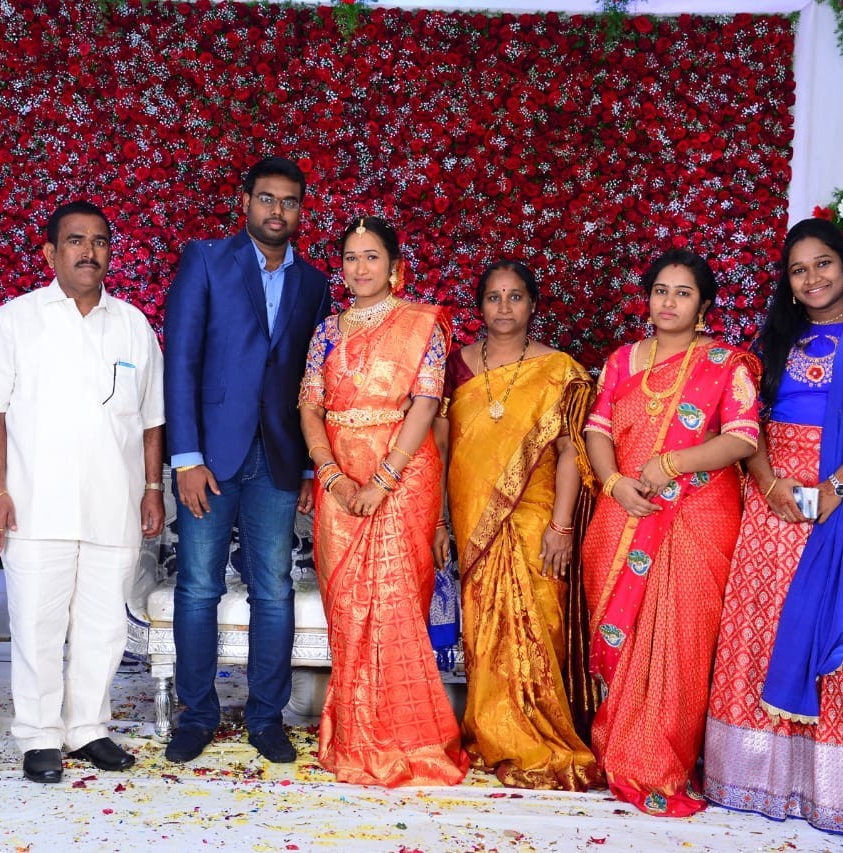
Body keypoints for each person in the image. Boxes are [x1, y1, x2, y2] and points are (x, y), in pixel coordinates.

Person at [704, 218, 843, 837]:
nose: (812, 279)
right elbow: (745, 420)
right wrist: (768, 482)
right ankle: (761, 779)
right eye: (798, 270)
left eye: (823, 264)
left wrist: (837, 487)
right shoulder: (776, 337)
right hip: (774, 501)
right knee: (766, 627)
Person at [0, 201, 164, 784]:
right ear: (51, 252)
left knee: (103, 628)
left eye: (99, 241)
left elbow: (151, 418)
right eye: (76, 240)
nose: (88, 252)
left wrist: (153, 488)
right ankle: (39, 736)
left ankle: (87, 729)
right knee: (36, 626)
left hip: (114, 502)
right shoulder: (15, 321)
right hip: (35, 503)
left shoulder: (133, 325)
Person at [580, 249, 760, 816]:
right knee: (628, 634)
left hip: (696, 515)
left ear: (703, 306)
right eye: (661, 290)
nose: (669, 302)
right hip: (625, 509)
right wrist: (614, 483)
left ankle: (663, 761)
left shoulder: (726, 364)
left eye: (683, 293)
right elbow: (597, 429)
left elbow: (743, 438)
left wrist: (673, 465)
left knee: (682, 641)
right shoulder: (622, 360)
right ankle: (620, 749)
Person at [163, 157, 331, 764]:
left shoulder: (313, 283)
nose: (277, 211)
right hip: (209, 457)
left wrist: (310, 465)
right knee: (198, 586)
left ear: (300, 210)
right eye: (267, 199)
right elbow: (181, 360)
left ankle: (265, 718)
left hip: (279, 458)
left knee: (273, 589)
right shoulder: (206, 260)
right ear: (245, 202)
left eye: (289, 202)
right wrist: (186, 457)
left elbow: (314, 381)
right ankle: (196, 716)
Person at [299, 216, 469, 787]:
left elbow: (426, 404)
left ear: (394, 267)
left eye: (371, 256)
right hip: (339, 482)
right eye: (351, 257)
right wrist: (331, 475)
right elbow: (309, 406)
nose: (360, 267)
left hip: (403, 479)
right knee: (349, 608)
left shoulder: (423, 324)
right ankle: (354, 737)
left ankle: (409, 739)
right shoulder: (326, 331)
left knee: (396, 603)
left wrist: (383, 478)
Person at [432, 260, 596, 791]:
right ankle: (492, 732)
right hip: (473, 515)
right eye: (494, 297)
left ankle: (539, 732)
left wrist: (562, 526)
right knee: (484, 626)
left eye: (515, 296)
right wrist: (439, 520)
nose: (504, 307)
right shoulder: (454, 368)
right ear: (480, 306)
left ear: (533, 304)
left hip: (538, 516)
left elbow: (571, 450)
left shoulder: (560, 369)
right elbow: (439, 450)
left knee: (540, 621)